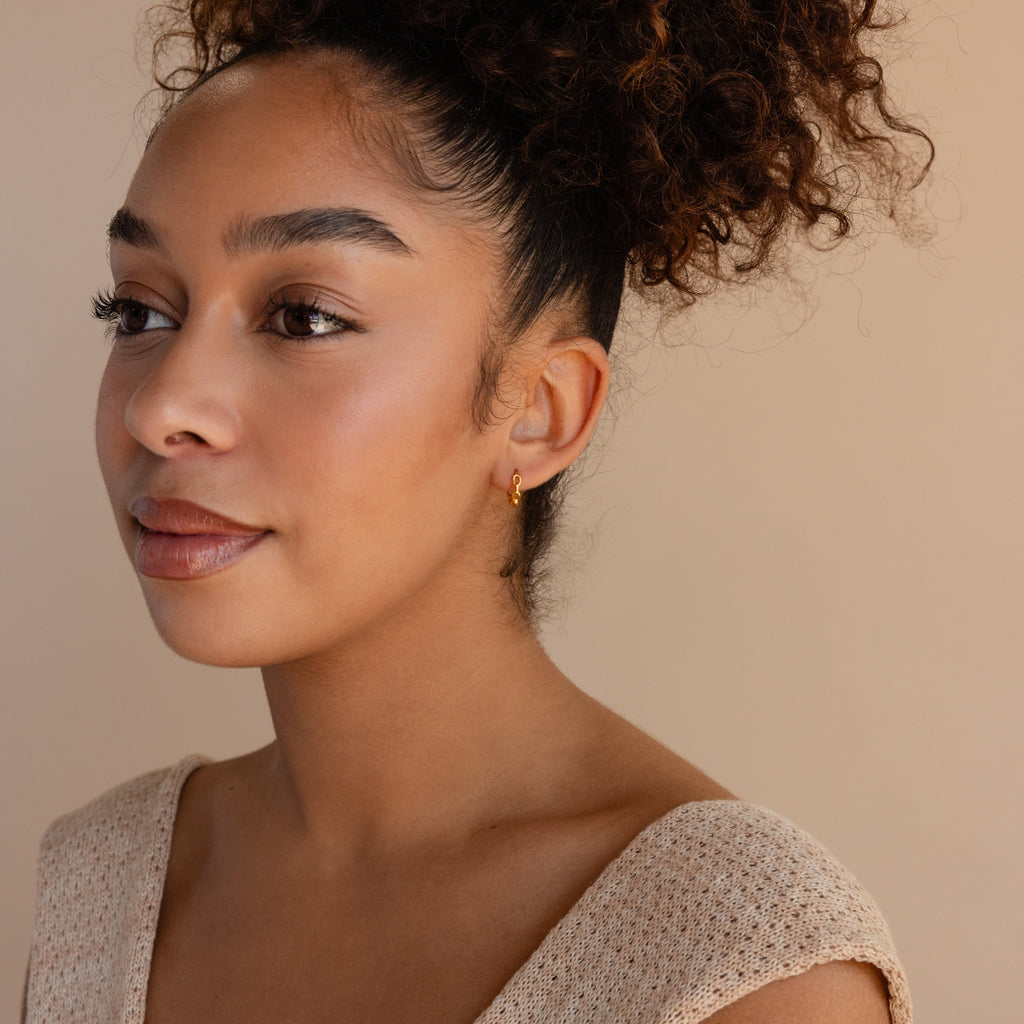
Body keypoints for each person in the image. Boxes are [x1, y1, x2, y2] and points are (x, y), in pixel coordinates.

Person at [24, 1, 931, 1021]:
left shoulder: (748, 972)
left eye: (305, 317)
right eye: (139, 310)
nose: (160, 408)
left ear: (538, 412)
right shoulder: (100, 886)